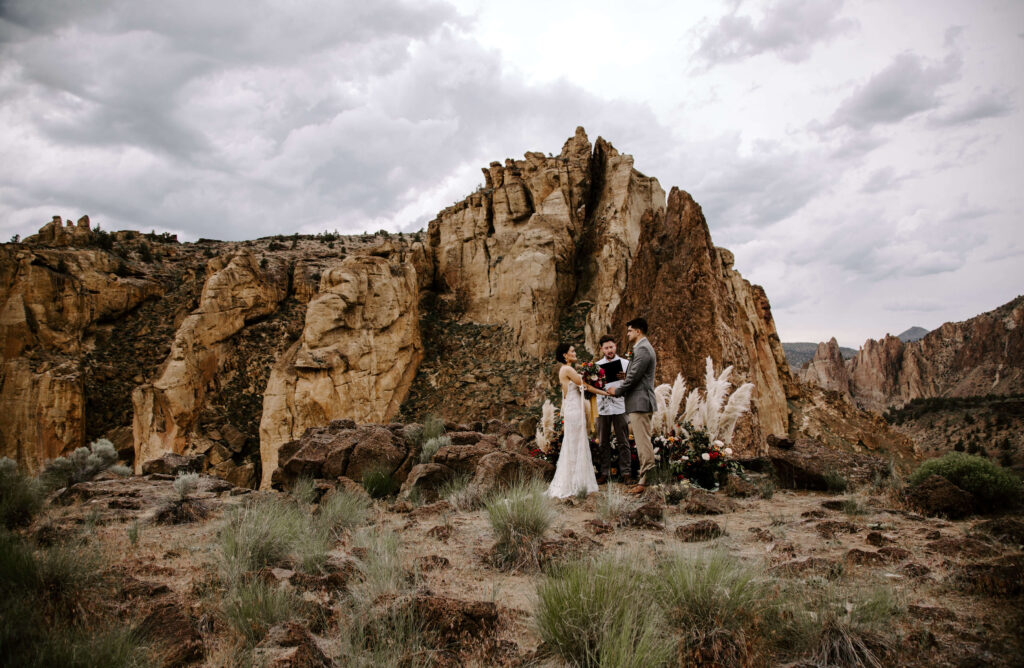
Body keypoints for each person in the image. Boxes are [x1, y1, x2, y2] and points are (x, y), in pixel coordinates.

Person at [546, 343, 609, 499]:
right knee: (576, 443)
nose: (575, 353)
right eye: (572, 351)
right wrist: (605, 392)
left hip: (573, 409)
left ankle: (575, 481)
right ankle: (576, 483)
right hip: (574, 410)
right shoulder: (567, 369)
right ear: (565, 355)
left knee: (574, 444)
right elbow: (585, 385)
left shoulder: (566, 369)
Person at [606, 318, 657, 495]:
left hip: (640, 401)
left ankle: (645, 481)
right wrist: (625, 376)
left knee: (643, 442)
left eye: (629, 331)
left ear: (638, 332)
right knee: (643, 440)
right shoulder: (642, 348)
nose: (627, 334)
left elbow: (635, 377)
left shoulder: (642, 349)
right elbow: (635, 374)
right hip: (639, 401)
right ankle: (645, 478)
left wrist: (617, 390)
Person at [595, 334, 631, 484]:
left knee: (623, 441)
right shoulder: (596, 366)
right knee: (603, 441)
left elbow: (632, 383)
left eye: (611, 347)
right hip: (603, 407)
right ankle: (604, 472)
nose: (609, 350)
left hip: (620, 406)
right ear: (602, 349)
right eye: (606, 348)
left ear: (615, 346)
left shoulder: (625, 363)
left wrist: (624, 380)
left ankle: (626, 473)